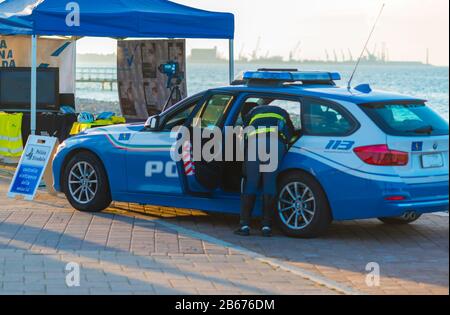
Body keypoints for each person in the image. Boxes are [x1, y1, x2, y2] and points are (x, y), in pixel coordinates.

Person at [235, 103, 296, 237]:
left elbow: (244, 136)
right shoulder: (281, 111)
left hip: (255, 144)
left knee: (251, 182)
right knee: (269, 183)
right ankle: (266, 227)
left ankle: (244, 226)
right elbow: (291, 134)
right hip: (275, 144)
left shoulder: (252, 114)